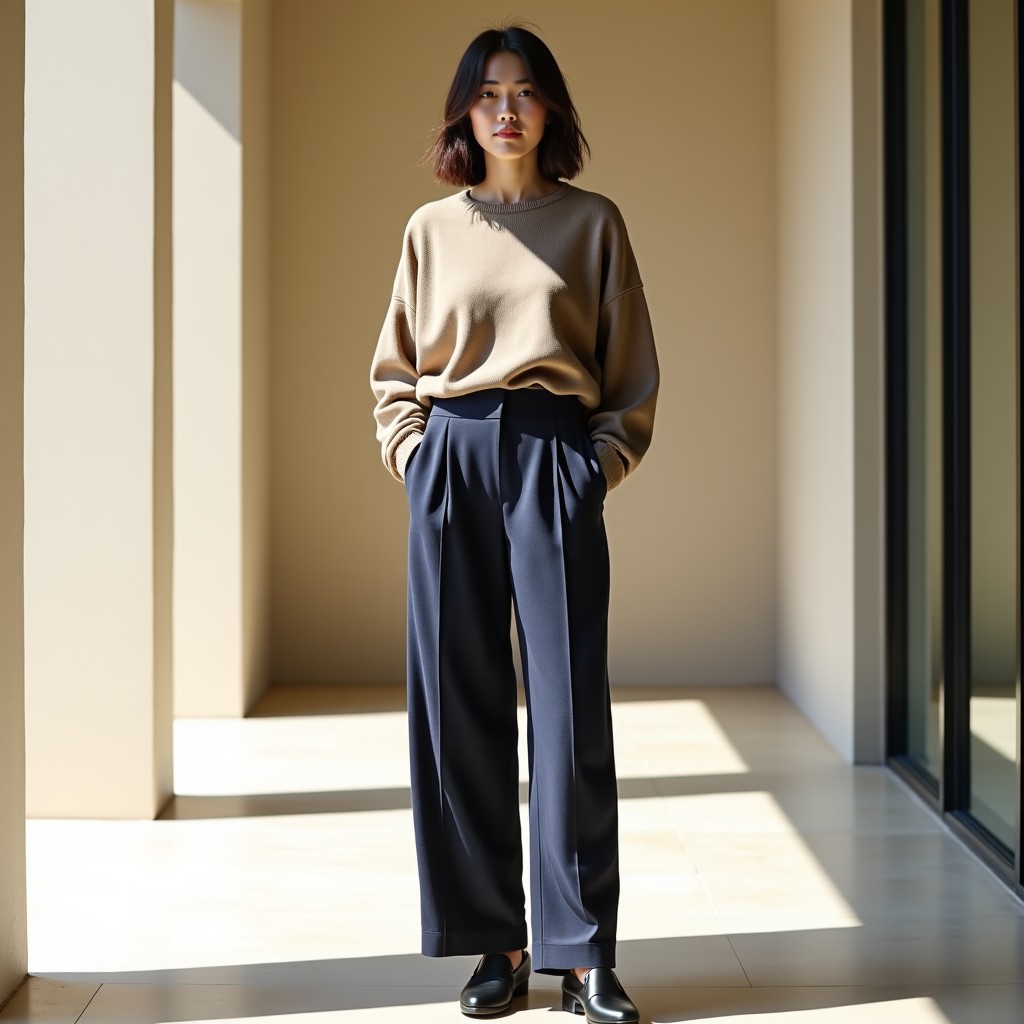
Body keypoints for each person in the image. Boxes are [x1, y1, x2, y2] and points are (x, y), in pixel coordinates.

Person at [369, 21, 659, 1024]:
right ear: (465, 110)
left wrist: (594, 468)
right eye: (487, 92)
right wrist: (415, 459)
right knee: (458, 711)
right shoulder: (429, 229)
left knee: (570, 706)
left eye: (524, 92)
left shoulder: (593, 223)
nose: (504, 110)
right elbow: (393, 375)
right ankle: (495, 942)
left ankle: (582, 955)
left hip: (551, 455)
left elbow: (629, 379)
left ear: (550, 111)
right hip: (449, 458)